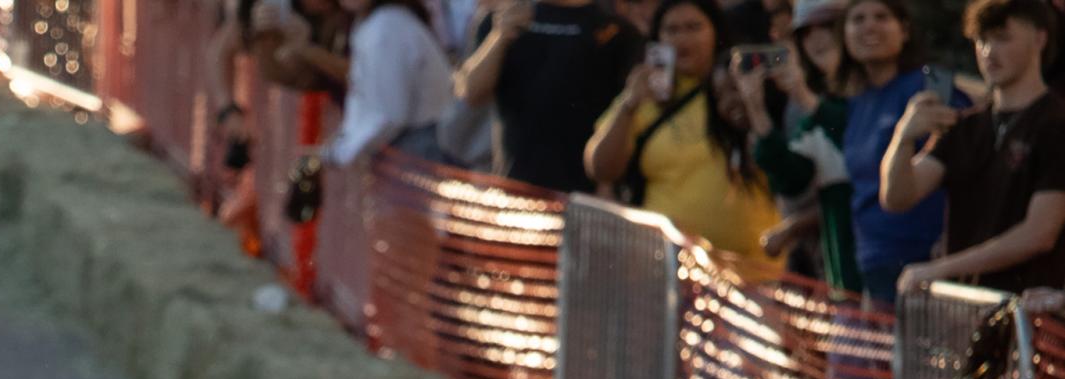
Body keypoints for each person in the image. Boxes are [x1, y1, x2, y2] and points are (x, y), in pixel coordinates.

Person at [584, 0, 784, 272]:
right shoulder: (645, 95)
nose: (682, 38)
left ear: (716, 30)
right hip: (667, 270)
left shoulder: (745, 85)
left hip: (755, 272)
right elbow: (601, 168)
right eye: (672, 30)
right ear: (657, 39)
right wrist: (629, 105)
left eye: (693, 27)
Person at [883, 0, 1065, 295]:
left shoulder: (1055, 124)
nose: (988, 52)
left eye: (1002, 38)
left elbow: (1040, 233)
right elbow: (898, 198)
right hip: (965, 311)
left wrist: (941, 269)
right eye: (981, 40)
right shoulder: (963, 126)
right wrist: (903, 138)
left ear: (1039, 38)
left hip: (1030, 318)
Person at [834, 0, 966, 303]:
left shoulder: (928, 87)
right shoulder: (857, 101)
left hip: (923, 262)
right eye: (858, 19)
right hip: (873, 264)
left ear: (904, 30)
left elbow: (964, 161)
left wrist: (950, 235)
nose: (869, 26)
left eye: (882, 17)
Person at [453, 0, 644, 191]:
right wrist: (500, 37)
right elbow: (471, 94)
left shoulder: (615, 31)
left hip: (582, 196)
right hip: (512, 190)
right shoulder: (504, 18)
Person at [742, 0, 863, 291]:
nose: (818, 38)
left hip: (898, 275)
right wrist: (755, 109)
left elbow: (861, 154)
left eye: (828, 26)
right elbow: (793, 179)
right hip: (843, 282)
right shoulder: (809, 106)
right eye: (806, 32)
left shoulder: (887, 92)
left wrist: (806, 99)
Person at [326, 0, 457, 163]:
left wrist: (342, 152)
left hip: (422, 151)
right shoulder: (374, 22)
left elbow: (390, 115)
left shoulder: (387, 26)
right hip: (409, 146)